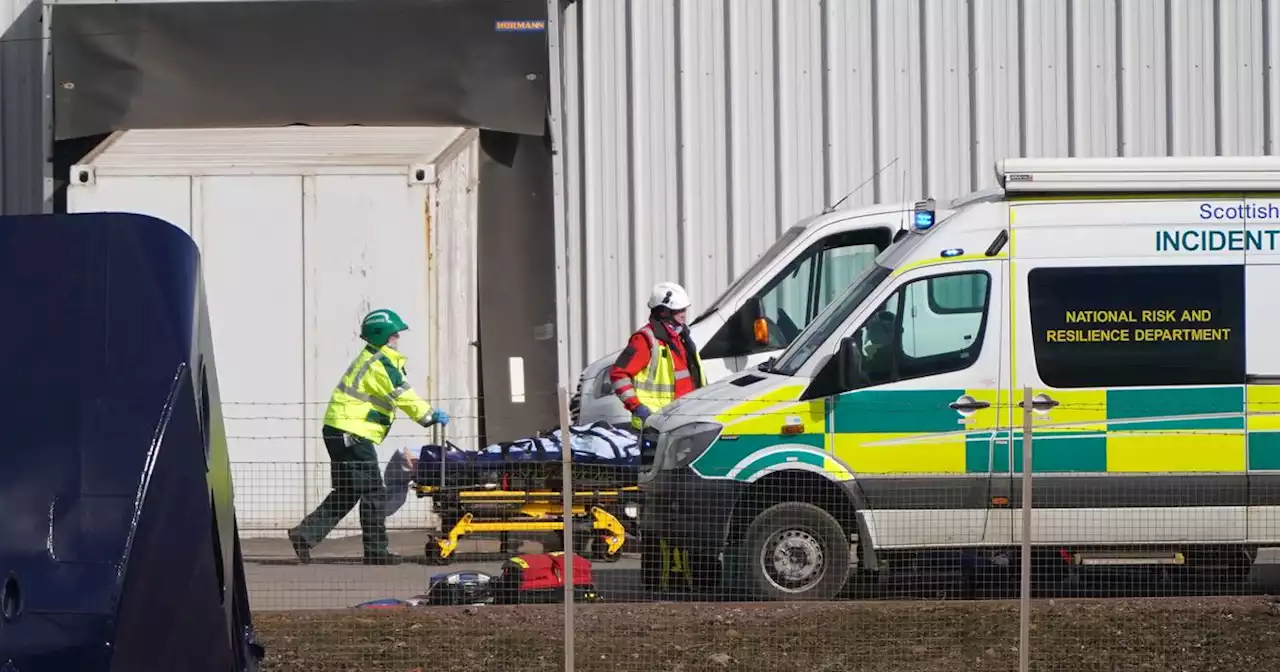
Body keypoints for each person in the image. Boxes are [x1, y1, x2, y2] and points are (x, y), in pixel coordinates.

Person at [287, 308, 450, 566]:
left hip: (339, 430)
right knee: (374, 491)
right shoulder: (380, 364)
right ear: (384, 336)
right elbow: (403, 395)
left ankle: (304, 534)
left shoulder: (374, 359)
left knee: (348, 491)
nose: (398, 338)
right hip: (353, 433)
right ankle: (376, 551)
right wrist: (429, 416)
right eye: (395, 334)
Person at [609, 282, 707, 431]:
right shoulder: (645, 340)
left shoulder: (683, 337)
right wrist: (636, 407)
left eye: (684, 309)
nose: (683, 314)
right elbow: (618, 374)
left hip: (686, 419)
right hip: (655, 424)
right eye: (678, 310)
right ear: (663, 312)